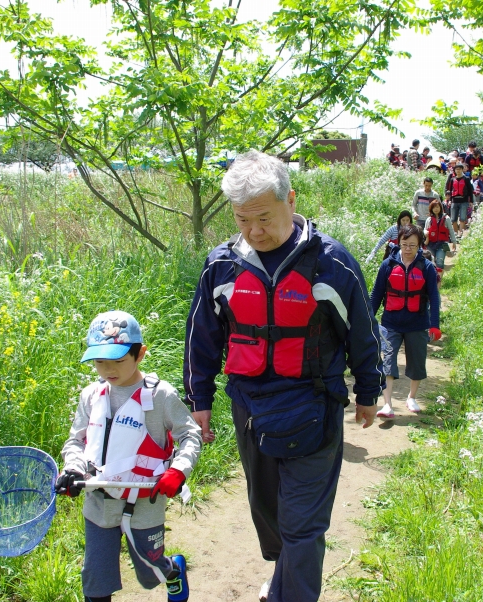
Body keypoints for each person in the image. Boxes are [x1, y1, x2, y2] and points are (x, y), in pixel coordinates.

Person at [182, 150, 383, 602]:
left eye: (265, 218)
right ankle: (285, 573)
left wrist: (369, 390)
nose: (254, 231)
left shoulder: (332, 263)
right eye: (241, 220)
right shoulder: (222, 266)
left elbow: (363, 331)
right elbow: (202, 339)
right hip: (250, 409)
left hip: (315, 404)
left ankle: (288, 592)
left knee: (303, 524)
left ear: (291, 200)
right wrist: (200, 401)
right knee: (267, 510)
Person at [57, 311, 202, 602]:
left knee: (150, 574)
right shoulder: (91, 396)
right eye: (100, 362)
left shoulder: (160, 396)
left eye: (118, 361)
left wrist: (179, 471)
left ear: (140, 354)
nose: (108, 370)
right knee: (95, 581)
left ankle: (172, 570)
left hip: (144, 501)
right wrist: (72, 469)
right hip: (99, 503)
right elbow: (75, 441)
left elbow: (191, 435)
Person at [369, 225, 441, 418]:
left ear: (420, 246)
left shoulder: (426, 268)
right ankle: (387, 405)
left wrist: (435, 324)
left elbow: (434, 297)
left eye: (412, 245)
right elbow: (376, 295)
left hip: (417, 323)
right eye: (404, 244)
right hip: (391, 322)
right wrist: (367, 319)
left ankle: (412, 397)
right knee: (388, 363)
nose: (408, 249)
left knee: (417, 362)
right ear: (398, 243)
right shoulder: (388, 265)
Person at [423, 199, 456, 269]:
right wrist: (425, 232)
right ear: (431, 209)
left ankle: (439, 279)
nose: (436, 209)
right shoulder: (429, 220)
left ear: (440, 208)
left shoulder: (446, 219)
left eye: (437, 207)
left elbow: (451, 230)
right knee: (430, 262)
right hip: (431, 244)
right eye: (434, 207)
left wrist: (454, 242)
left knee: (439, 263)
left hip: (442, 244)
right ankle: (433, 278)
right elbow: (425, 229)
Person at [445, 163, 474, 236]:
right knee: (453, 219)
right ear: (454, 170)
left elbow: (470, 191)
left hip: (464, 201)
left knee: (462, 217)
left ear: (462, 170)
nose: (458, 171)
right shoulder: (452, 179)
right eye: (456, 169)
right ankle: (455, 233)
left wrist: (471, 201)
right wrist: (450, 200)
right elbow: (451, 190)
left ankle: (460, 233)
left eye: (459, 169)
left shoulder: (466, 179)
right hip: (454, 200)